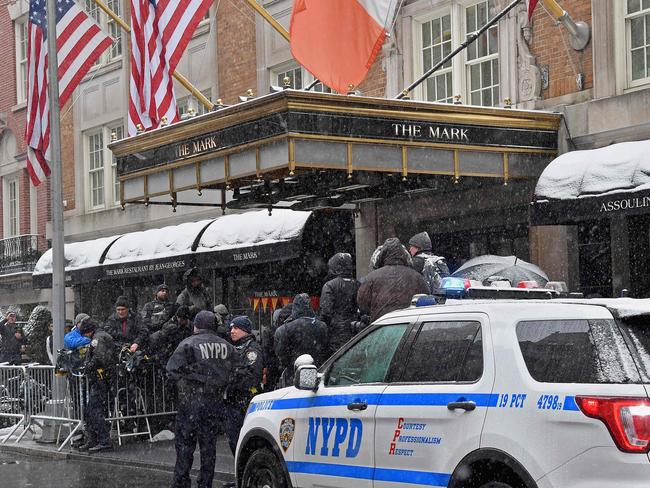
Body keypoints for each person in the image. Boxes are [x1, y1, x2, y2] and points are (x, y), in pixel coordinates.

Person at [166, 311, 245, 488]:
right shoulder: (227, 346)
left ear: (196, 326)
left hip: (190, 404)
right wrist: (222, 384)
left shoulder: (187, 344)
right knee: (208, 448)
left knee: (185, 448)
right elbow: (241, 371)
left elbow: (172, 370)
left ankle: (181, 483)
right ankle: (205, 484)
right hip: (213, 404)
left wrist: (191, 380)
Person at [357, 237, 429, 323]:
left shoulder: (371, 277)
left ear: (382, 255)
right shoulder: (416, 277)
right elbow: (426, 300)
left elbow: (363, 304)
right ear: (403, 255)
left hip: (382, 325)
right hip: (408, 324)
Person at [224, 316, 263, 455]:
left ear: (245, 330)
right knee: (233, 439)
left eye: (236, 328)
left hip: (244, 400)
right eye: (231, 328)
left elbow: (252, 376)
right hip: (232, 400)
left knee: (243, 441)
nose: (232, 331)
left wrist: (232, 376)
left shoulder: (252, 349)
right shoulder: (233, 348)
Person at [78, 319, 116, 453]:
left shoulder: (98, 338)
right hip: (102, 378)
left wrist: (88, 366)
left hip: (101, 379)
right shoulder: (100, 336)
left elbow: (99, 357)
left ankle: (103, 440)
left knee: (95, 410)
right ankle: (94, 439)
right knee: (92, 410)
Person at [274, 294, 328, 384]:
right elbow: (326, 350)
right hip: (317, 370)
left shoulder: (285, 329)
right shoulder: (322, 326)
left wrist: (288, 365)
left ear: (295, 307)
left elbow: (281, 353)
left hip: (293, 373)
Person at [319, 253, 360, 355]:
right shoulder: (358, 285)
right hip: (356, 330)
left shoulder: (329, 286)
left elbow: (325, 311)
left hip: (336, 334)